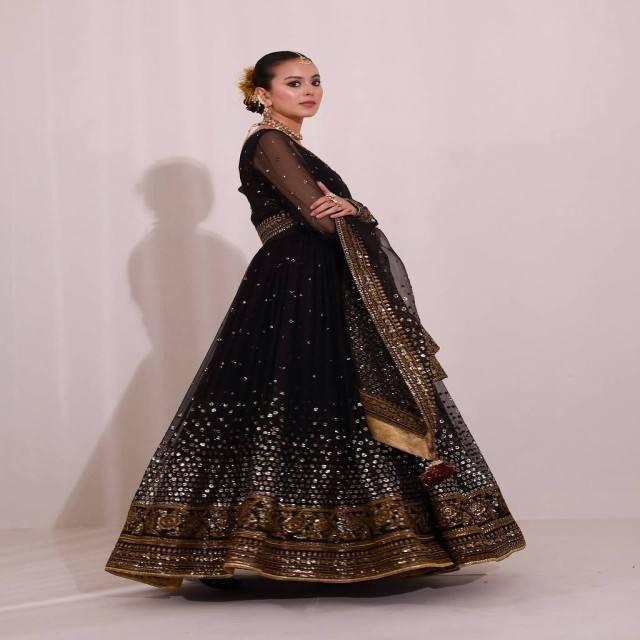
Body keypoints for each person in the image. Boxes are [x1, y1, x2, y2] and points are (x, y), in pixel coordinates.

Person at [104, 50, 526, 589]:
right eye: (294, 83)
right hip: (300, 285)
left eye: (315, 81)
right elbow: (323, 221)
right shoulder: (268, 142)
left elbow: (333, 216)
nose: (309, 91)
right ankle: (294, 544)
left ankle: (353, 543)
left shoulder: (289, 145)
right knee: (304, 400)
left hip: (316, 281)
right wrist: (356, 210)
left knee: (320, 403)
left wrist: (353, 209)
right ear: (262, 93)